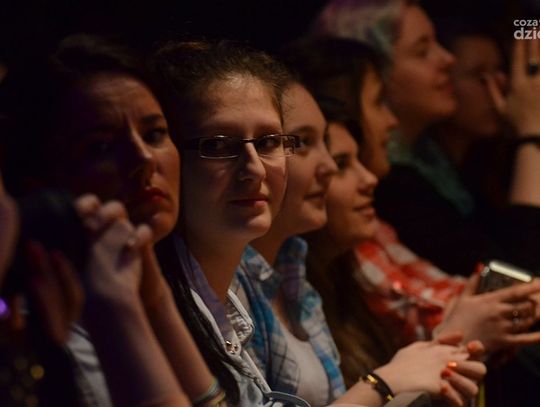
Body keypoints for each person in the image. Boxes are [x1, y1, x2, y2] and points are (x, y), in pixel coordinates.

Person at [234, 77, 486, 407]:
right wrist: (384, 383)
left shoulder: (295, 275)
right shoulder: (237, 286)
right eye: (303, 142)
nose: (328, 167)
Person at [0, 34, 223, 407]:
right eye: (100, 147)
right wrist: (120, 309)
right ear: (37, 188)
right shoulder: (44, 330)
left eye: (154, 134)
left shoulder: (165, 288)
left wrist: (157, 305)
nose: (144, 159)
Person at [312, 0, 540, 278]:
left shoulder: (438, 160)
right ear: (374, 72)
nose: (448, 59)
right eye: (422, 51)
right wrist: (531, 131)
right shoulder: (388, 184)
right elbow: (514, 275)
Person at [150, 40, 314, 406]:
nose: (254, 169)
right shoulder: (155, 305)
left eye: (268, 141)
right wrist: (378, 385)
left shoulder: (237, 289)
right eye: (219, 145)